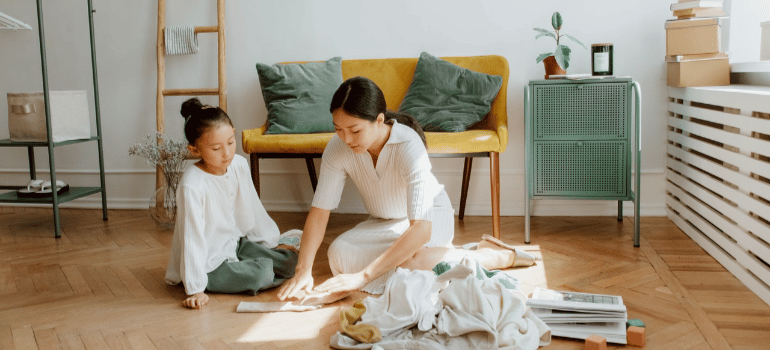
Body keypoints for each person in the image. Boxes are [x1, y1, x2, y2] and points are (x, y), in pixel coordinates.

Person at [278, 77, 535, 300]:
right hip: (384, 222)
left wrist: (363, 277)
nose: (346, 139)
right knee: (338, 256)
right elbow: (320, 211)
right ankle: (444, 257)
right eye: (338, 129)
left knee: (412, 264)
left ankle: (493, 257)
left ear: (379, 120)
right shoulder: (338, 148)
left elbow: (421, 230)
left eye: (354, 130)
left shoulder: (408, 145)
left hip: (429, 218)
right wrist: (303, 270)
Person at [165, 98, 301, 309]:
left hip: (235, 244)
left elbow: (252, 208)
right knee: (261, 274)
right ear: (195, 150)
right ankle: (251, 271)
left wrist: (269, 242)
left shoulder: (238, 165)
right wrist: (195, 289)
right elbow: (191, 238)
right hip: (210, 262)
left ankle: (258, 263)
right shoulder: (192, 185)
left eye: (230, 142)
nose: (227, 153)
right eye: (216, 148)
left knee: (290, 262)